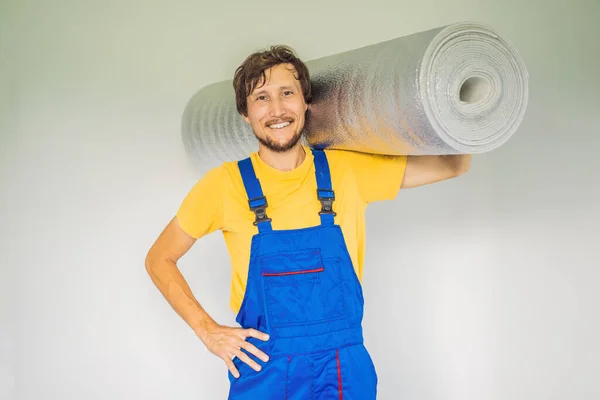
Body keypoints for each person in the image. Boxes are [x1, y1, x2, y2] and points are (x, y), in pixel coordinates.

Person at [145, 45, 471, 399]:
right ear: (245, 113)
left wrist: (458, 103)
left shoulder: (346, 170)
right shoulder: (223, 185)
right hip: (263, 368)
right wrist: (207, 331)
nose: (277, 109)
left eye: (287, 93)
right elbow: (159, 258)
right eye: (261, 97)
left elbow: (452, 164)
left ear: (306, 103)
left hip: (344, 367)